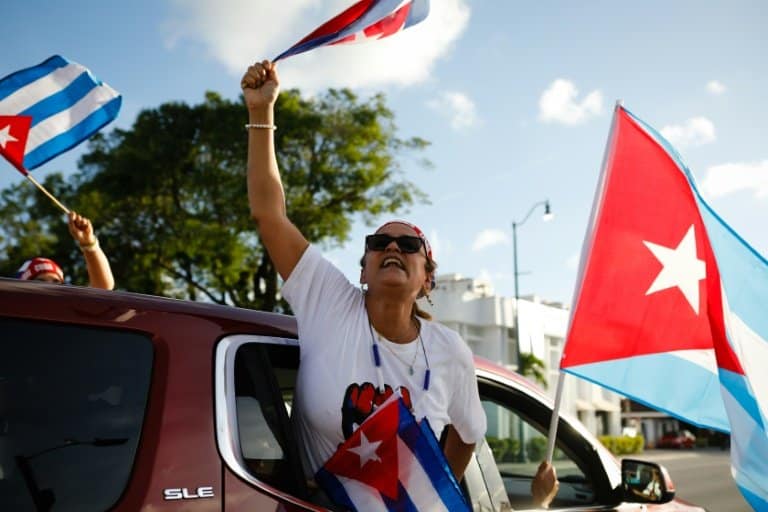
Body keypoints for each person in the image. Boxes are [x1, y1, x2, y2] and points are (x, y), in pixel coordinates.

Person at [241, 60, 559, 508]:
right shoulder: (329, 303)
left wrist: (430, 493)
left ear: (428, 278)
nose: (393, 245)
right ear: (363, 269)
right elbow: (269, 214)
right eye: (379, 241)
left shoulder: (450, 350)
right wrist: (262, 112)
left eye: (409, 243)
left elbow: (468, 433)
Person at [16, 211, 114, 290]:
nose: (50, 286)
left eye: (57, 282)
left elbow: (102, 288)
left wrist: (88, 244)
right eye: (40, 282)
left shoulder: (72, 307)